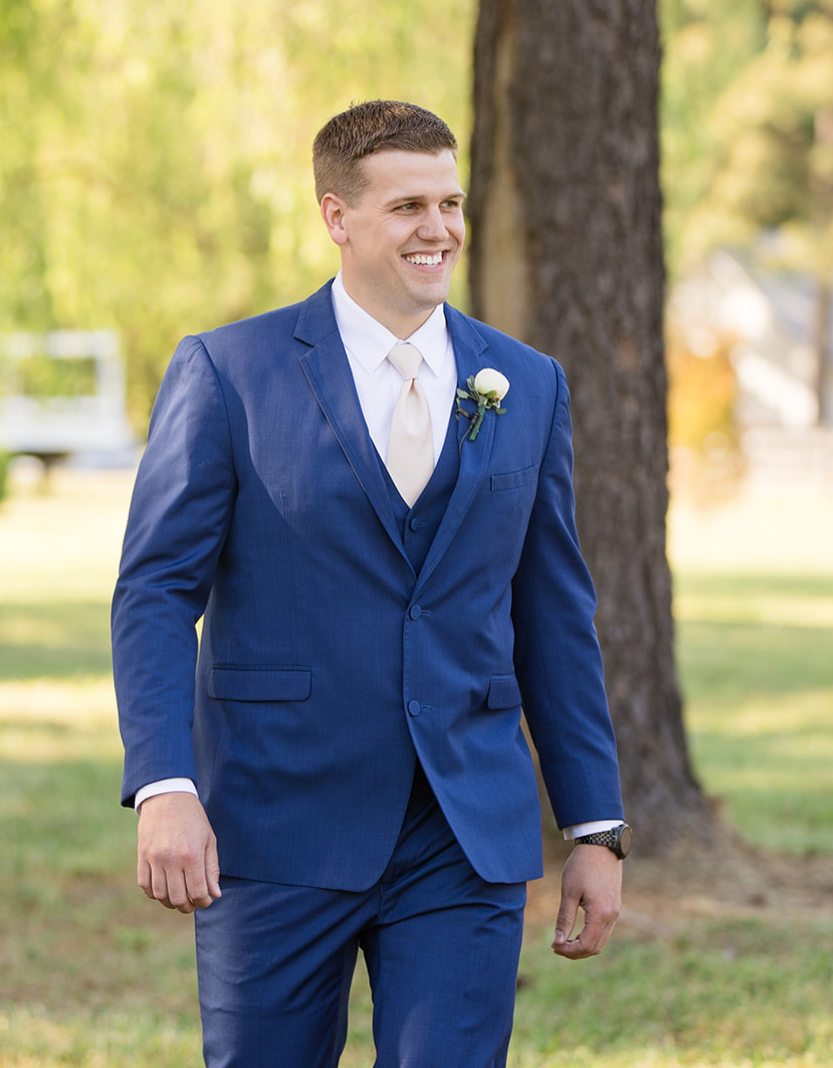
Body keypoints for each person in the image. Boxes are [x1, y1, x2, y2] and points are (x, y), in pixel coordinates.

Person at [112, 100, 630, 1066]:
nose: (439, 229)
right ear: (336, 217)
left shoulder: (526, 383)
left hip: (463, 828)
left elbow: (553, 613)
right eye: (407, 208)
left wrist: (595, 826)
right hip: (273, 823)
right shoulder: (229, 371)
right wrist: (163, 785)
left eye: (450, 201)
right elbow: (153, 592)